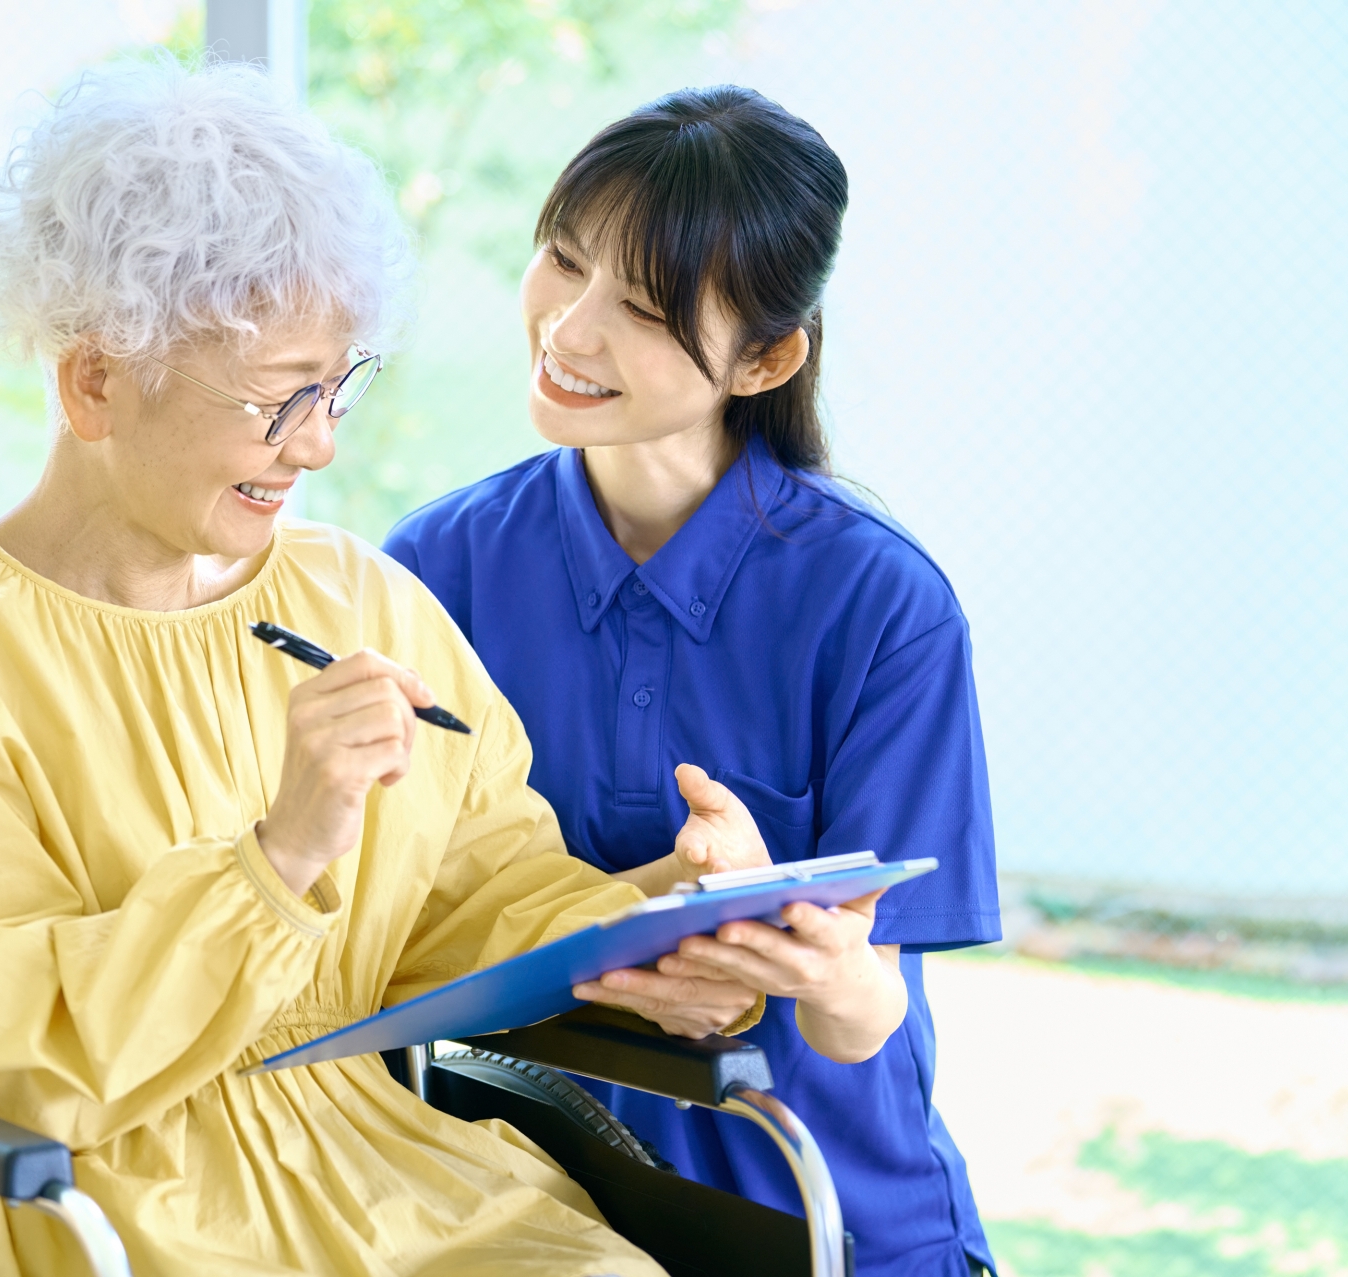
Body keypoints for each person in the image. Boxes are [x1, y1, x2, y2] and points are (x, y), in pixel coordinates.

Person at [0, 62, 762, 1277]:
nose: (316, 443)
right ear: (96, 379)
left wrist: (665, 922)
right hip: (103, 1197)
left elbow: (487, 893)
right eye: (277, 400)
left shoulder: (360, 596)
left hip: (385, 1172)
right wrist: (280, 856)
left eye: (336, 388)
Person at [384, 86, 1002, 1277]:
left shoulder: (882, 609)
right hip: (523, 1219)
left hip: (831, 1222)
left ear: (765, 357)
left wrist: (813, 958)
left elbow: (865, 1013)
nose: (569, 329)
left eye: (646, 308)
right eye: (563, 261)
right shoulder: (433, 570)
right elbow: (391, 936)